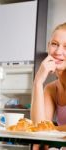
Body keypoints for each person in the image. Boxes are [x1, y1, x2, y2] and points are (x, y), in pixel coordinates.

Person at [31, 22, 66, 150]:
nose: (58, 51)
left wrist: (51, 129)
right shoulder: (51, 89)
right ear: (48, 46)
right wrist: (38, 82)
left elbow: (44, 130)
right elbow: (39, 133)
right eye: (54, 44)